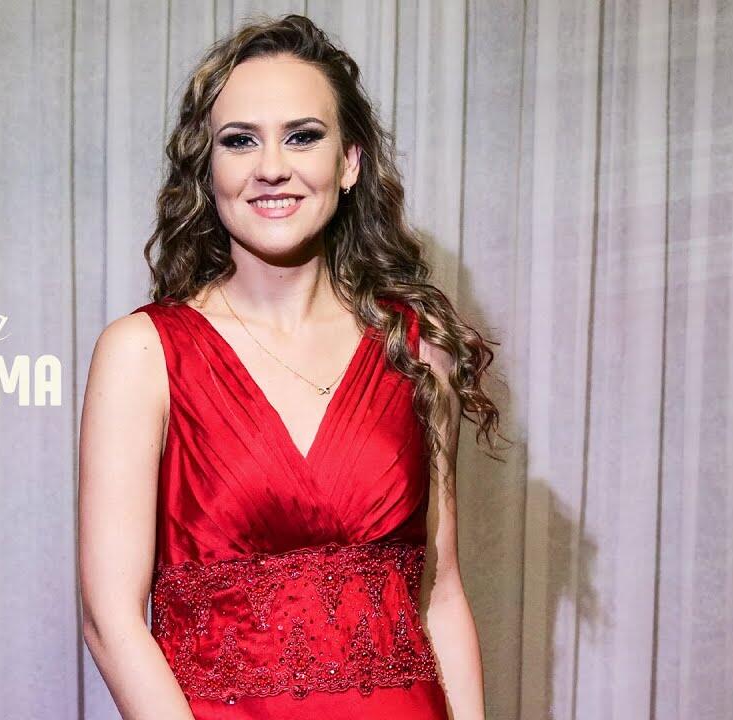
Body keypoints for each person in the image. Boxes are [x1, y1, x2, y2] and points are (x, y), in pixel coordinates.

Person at [79, 14, 503, 719]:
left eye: (303, 136)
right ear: (208, 169)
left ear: (350, 162)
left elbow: (442, 593)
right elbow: (110, 620)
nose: (271, 166)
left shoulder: (415, 349)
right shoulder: (143, 353)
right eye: (239, 140)